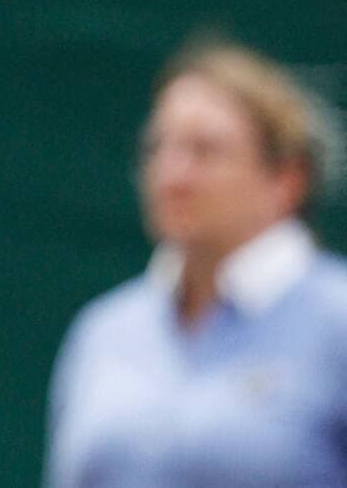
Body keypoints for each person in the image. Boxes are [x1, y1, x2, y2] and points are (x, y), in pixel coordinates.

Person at [46, 39, 347, 488]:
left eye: (204, 151)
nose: (173, 175)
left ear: (287, 178)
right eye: (158, 148)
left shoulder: (337, 318)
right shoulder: (103, 331)